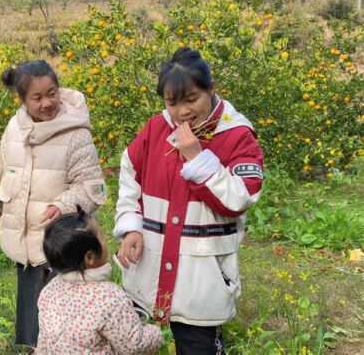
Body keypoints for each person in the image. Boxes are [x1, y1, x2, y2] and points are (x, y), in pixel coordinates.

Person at [113, 47, 264, 354]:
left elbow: (239, 198)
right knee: (131, 341)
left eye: (192, 98)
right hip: (149, 263)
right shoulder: (156, 128)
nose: (182, 111)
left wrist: (196, 158)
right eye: (172, 103)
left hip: (202, 273)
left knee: (198, 345)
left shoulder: (236, 136)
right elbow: (130, 171)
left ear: (211, 87)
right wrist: (132, 225)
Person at [0, 60, 107, 347]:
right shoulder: (16, 128)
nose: (47, 103)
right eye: (38, 97)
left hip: (62, 246)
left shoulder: (75, 133)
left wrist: (62, 205)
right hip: (28, 245)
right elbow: (3, 169)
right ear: (23, 99)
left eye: (52, 93)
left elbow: (92, 188)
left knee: (65, 334)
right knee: (35, 333)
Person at [36, 209, 163, 354]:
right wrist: (155, 332)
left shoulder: (48, 291)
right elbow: (133, 345)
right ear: (89, 257)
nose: (105, 239)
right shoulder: (109, 297)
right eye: (102, 237)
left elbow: (44, 343)